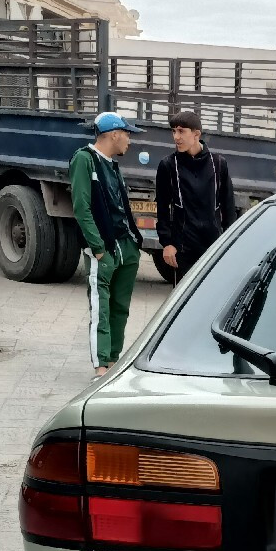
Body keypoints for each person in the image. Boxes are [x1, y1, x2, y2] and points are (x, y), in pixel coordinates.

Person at [69, 111, 144, 377]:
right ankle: (101, 366)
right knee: (101, 306)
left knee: (120, 307)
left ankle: (113, 361)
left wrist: (135, 242)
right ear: (114, 134)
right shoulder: (84, 160)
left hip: (126, 247)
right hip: (104, 249)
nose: (129, 141)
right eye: (127, 134)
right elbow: (82, 207)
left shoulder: (112, 165)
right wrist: (98, 248)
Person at [155, 109, 236, 281]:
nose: (176, 137)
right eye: (173, 131)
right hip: (183, 249)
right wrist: (167, 243)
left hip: (213, 247)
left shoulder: (218, 164)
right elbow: (162, 209)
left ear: (196, 134)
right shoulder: (168, 166)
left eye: (181, 131)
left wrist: (230, 243)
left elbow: (229, 208)